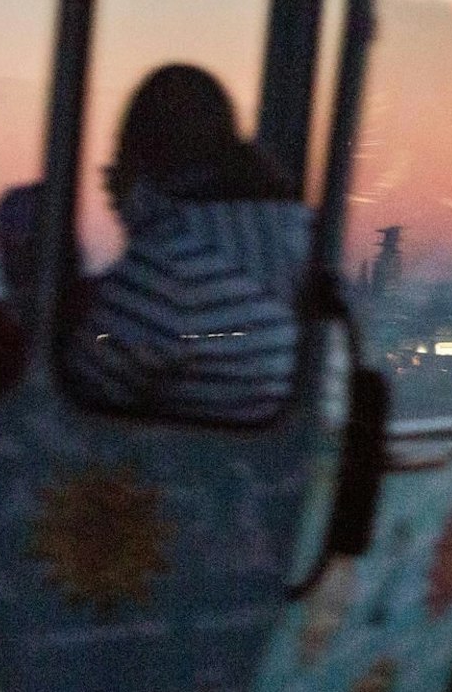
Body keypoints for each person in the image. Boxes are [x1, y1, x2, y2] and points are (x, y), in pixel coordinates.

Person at [64, 64, 309, 424]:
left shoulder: (170, 265)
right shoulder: (299, 238)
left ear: (143, 165)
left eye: (118, 167)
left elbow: (75, 404)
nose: (111, 188)